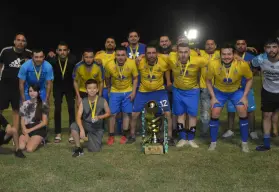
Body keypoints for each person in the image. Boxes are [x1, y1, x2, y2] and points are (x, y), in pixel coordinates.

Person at [206, 44, 253, 152]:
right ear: (220, 54)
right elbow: (208, 81)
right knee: (215, 112)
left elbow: (250, 79)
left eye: (229, 54)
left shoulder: (242, 64)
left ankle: (244, 143)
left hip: (236, 91)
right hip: (219, 92)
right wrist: (213, 97)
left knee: (242, 110)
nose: (226, 57)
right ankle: (213, 143)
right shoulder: (213, 64)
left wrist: (245, 96)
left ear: (234, 54)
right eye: (224, 54)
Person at [128, 45, 173, 144]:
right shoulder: (139, 62)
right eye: (149, 53)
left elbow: (172, 62)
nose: (151, 55)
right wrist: (138, 58)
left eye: (153, 53)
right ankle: (132, 135)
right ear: (145, 54)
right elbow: (130, 65)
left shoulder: (163, 61)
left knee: (167, 113)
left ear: (157, 54)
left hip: (159, 92)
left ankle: (169, 137)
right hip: (143, 92)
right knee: (134, 114)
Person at [168, 43, 209, 148]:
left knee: (192, 115)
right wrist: (141, 56)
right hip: (177, 90)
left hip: (192, 91)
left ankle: (191, 138)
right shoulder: (171, 57)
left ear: (189, 52)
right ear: (177, 52)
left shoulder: (198, 60)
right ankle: (182, 138)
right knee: (180, 115)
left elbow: (213, 60)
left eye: (185, 52)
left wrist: (236, 56)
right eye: (180, 52)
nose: (183, 55)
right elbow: (157, 55)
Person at [223, 39, 258, 139]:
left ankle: (252, 131)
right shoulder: (230, 56)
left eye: (243, 44)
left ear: (246, 45)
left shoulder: (251, 57)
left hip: (246, 88)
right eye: (238, 44)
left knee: (250, 110)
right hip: (232, 88)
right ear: (235, 46)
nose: (240, 46)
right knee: (231, 110)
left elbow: (254, 71)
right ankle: (230, 130)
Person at [105, 46, 138, 145]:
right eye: (118, 55)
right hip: (115, 91)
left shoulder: (131, 63)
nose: (120, 57)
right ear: (115, 55)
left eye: (122, 55)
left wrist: (133, 92)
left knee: (126, 114)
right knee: (112, 114)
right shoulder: (109, 65)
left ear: (126, 56)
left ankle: (124, 135)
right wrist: (109, 89)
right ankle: (111, 136)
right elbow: (107, 78)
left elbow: (135, 78)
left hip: (128, 91)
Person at [0, 32, 32, 131]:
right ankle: (7, 126)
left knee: (16, 111)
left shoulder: (29, 53)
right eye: (18, 40)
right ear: (14, 41)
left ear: (25, 43)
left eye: (23, 41)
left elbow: (39, 59)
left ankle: (15, 134)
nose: (20, 42)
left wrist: (50, 54)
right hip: (4, 85)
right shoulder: (6, 51)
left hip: (19, 87)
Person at [251, 38, 279, 151]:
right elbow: (248, 63)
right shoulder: (260, 59)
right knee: (266, 116)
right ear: (264, 49)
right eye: (268, 47)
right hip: (268, 92)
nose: (271, 50)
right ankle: (266, 143)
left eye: (274, 47)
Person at [46, 41, 77, 143]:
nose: (62, 52)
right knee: (57, 109)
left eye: (64, 50)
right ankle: (58, 132)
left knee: (71, 109)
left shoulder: (73, 60)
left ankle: (72, 132)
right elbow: (44, 63)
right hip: (58, 87)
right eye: (60, 50)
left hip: (69, 87)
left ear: (68, 51)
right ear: (56, 51)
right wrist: (48, 55)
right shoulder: (53, 60)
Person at [71, 79, 110, 157]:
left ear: (97, 89)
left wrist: (99, 117)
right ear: (86, 90)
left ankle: (90, 139)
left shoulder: (103, 100)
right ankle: (78, 147)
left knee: (94, 150)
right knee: (74, 126)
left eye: (94, 88)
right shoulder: (83, 101)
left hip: (97, 128)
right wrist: (81, 129)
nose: (92, 90)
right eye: (89, 88)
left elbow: (108, 113)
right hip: (86, 125)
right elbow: (78, 116)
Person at [198, 39, 220, 137]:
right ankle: (205, 131)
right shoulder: (200, 53)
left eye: (212, 44)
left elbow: (233, 53)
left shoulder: (220, 53)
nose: (210, 46)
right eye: (207, 44)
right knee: (205, 110)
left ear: (215, 46)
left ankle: (214, 129)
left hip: (218, 88)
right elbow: (181, 49)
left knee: (216, 110)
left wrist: (246, 49)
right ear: (204, 46)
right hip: (205, 87)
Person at [18, 84, 49, 152]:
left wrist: (30, 130)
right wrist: (25, 131)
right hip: (27, 128)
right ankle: (31, 140)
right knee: (21, 147)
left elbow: (44, 122)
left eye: (34, 91)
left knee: (29, 149)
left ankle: (41, 140)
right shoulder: (25, 104)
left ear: (38, 92)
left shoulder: (44, 104)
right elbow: (22, 120)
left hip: (38, 129)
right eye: (30, 91)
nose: (32, 93)